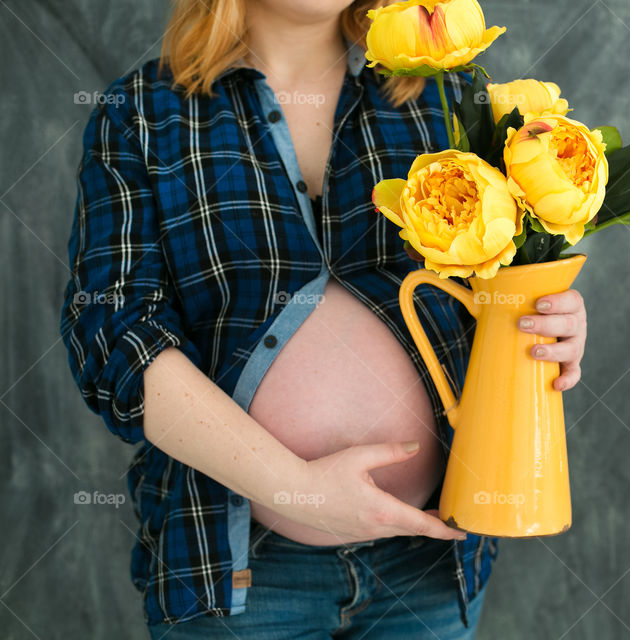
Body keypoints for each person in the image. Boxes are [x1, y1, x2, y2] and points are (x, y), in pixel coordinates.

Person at [59, 0, 589, 637]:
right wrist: (296, 489)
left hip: (430, 561)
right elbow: (115, 335)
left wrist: (547, 317)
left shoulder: (455, 99)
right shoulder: (143, 112)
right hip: (236, 569)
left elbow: (498, 292)